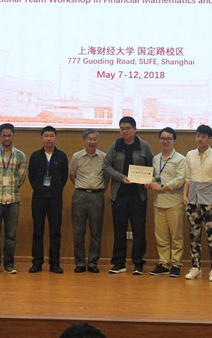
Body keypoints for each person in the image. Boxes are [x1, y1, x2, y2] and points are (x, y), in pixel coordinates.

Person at [103, 116, 154, 275]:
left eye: (127, 128)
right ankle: (119, 263)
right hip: (119, 194)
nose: (124, 131)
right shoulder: (115, 145)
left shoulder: (144, 146)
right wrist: (120, 177)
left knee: (139, 230)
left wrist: (148, 179)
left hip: (138, 196)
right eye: (122, 129)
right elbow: (106, 165)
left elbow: (152, 166)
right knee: (119, 230)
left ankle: (138, 263)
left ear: (135, 129)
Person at [183, 124, 212, 282]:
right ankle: (195, 267)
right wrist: (185, 195)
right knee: (194, 237)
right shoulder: (190, 155)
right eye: (197, 136)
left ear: (210, 138)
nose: (199, 139)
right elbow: (188, 178)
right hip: (193, 201)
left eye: (203, 136)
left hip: (210, 202)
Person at [0, 123, 27, 274]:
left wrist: (11, 186)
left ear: (13, 136)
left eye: (9, 135)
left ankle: (9, 264)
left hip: (13, 200)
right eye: (4, 135)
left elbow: (21, 178)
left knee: (11, 235)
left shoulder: (20, 156)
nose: (7, 138)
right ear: (0, 136)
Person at [145, 127, 187, 277]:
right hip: (158, 202)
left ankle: (176, 264)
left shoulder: (180, 159)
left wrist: (162, 187)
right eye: (163, 138)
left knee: (176, 236)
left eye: (168, 139)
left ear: (174, 140)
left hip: (174, 202)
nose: (165, 141)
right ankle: (164, 263)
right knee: (161, 236)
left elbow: (180, 179)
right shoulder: (155, 159)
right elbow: (154, 176)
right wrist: (149, 182)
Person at [28, 125, 69, 274]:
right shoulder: (35, 156)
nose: (49, 139)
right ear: (41, 138)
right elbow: (31, 176)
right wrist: (39, 188)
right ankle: (37, 263)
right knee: (38, 231)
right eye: (46, 136)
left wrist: (55, 188)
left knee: (55, 232)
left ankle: (54, 263)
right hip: (39, 198)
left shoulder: (61, 156)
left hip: (55, 198)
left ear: (56, 138)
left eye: (51, 136)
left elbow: (64, 177)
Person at [69, 128, 108, 273]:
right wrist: (82, 188)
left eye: (95, 139)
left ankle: (93, 263)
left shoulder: (104, 157)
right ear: (84, 140)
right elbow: (72, 175)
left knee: (96, 232)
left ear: (98, 140)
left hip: (97, 196)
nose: (92, 142)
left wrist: (99, 191)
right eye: (89, 139)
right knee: (78, 231)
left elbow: (106, 178)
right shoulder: (76, 157)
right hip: (80, 195)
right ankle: (79, 263)